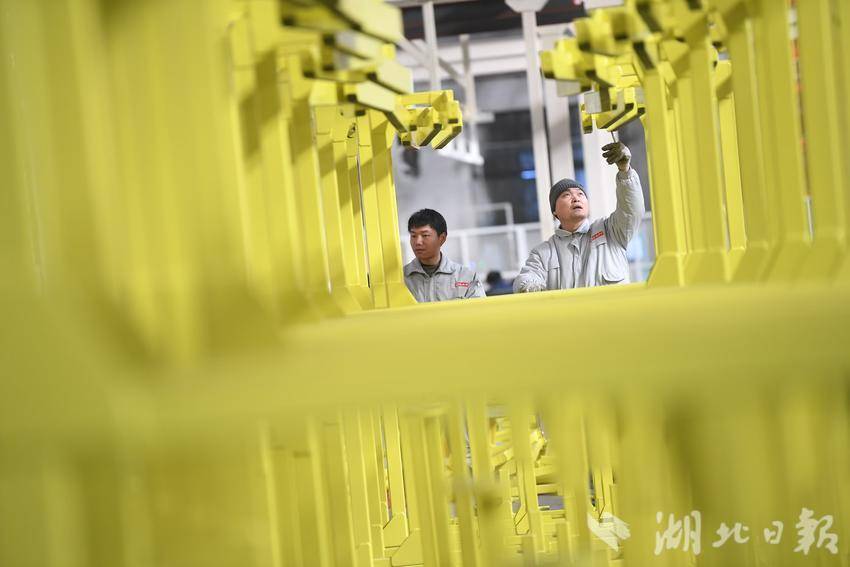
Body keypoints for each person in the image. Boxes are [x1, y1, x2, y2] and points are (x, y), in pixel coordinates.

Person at [514, 142, 645, 292]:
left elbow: (631, 210)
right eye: (566, 195)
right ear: (554, 212)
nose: (576, 198)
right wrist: (528, 286)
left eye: (580, 194)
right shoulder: (543, 253)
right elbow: (526, 277)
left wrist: (625, 171)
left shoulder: (611, 231)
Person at [404, 209, 485, 302]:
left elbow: (480, 309)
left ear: (442, 238)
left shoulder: (466, 277)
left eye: (425, 235)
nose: (418, 242)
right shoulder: (401, 279)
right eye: (413, 236)